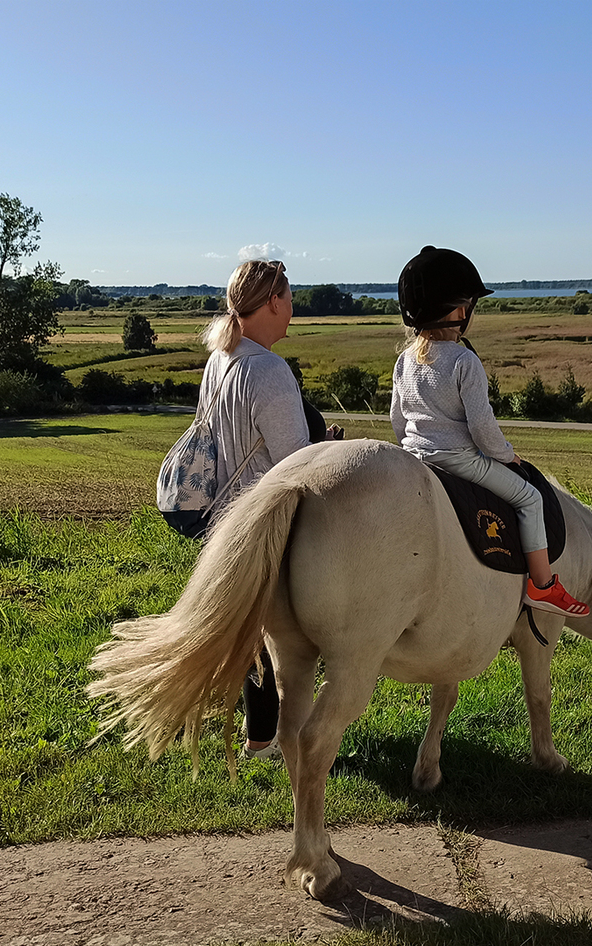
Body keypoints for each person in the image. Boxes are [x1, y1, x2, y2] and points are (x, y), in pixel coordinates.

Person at [389, 245, 591, 618]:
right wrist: (506, 455)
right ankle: (543, 586)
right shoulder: (465, 361)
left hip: (416, 455)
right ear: (462, 311)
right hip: (461, 460)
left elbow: (398, 420)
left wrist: (412, 448)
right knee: (530, 498)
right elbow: (482, 427)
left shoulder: (405, 360)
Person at [195, 258, 341, 758]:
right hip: (268, 519)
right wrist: (328, 447)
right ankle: (269, 739)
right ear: (274, 301)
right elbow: (295, 462)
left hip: (225, 516)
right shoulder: (270, 369)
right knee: (272, 634)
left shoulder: (222, 358)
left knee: (249, 628)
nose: (293, 307)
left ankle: (259, 734)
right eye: (290, 297)